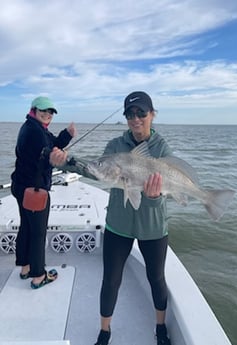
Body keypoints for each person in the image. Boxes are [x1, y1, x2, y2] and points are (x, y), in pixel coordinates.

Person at [57, 91, 172, 344]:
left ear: (152, 114)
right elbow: (94, 170)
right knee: (110, 279)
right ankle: (105, 330)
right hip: (118, 225)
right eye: (130, 114)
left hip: (153, 227)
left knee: (156, 278)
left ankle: (161, 328)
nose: (136, 119)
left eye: (141, 113)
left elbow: (164, 194)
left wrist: (153, 197)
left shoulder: (162, 148)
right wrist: (65, 162)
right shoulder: (115, 147)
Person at [11, 96, 76, 289]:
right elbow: (46, 152)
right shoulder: (35, 132)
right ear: (34, 110)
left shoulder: (33, 127)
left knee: (26, 227)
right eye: (44, 111)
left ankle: (25, 267)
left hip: (21, 186)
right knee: (38, 232)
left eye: (51, 112)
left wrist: (67, 134)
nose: (48, 114)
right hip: (34, 191)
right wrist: (60, 158)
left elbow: (52, 144)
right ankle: (39, 275)